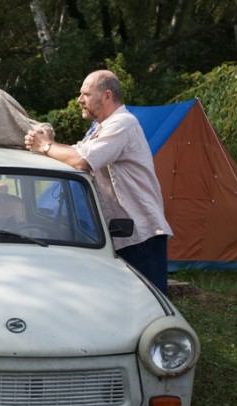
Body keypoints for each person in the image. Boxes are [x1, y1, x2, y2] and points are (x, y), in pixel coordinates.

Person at [24, 70, 172, 295]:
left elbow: (82, 160)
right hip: (124, 234)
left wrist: (45, 146)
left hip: (140, 235)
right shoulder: (103, 127)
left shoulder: (122, 124)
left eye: (85, 94)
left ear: (107, 96)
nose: (79, 100)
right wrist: (47, 142)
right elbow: (76, 152)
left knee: (149, 303)